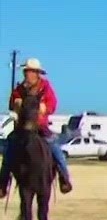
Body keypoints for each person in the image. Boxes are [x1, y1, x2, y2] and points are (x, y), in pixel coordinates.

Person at [3, 58, 73, 198]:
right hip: (22, 127)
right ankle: (3, 182)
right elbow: (11, 103)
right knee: (9, 148)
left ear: (36, 73)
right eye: (25, 71)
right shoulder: (19, 88)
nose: (26, 74)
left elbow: (53, 103)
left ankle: (64, 178)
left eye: (29, 71)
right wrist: (16, 103)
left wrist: (44, 108)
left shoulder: (45, 86)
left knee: (55, 147)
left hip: (40, 126)